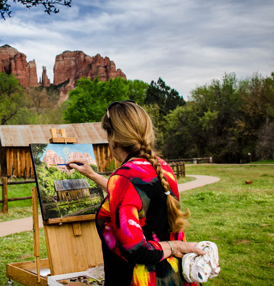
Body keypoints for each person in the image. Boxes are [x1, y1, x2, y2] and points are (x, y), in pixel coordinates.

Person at [67, 100, 205, 286]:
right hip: (172, 277)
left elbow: (137, 250)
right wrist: (92, 175)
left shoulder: (123, 178)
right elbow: (135, 196)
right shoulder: (163, 168)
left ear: (113, 138)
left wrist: (176, 246)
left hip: (139, 279)